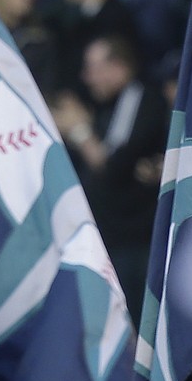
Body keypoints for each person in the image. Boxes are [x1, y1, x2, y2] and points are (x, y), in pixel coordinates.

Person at [52, 35, 167, 296]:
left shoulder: (139, 96)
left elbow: (113, 166)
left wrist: (80, 131)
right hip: (110, 240)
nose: (87, 77)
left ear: (119, 67)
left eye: (93, 68)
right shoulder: (107, 105)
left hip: (134, 243)